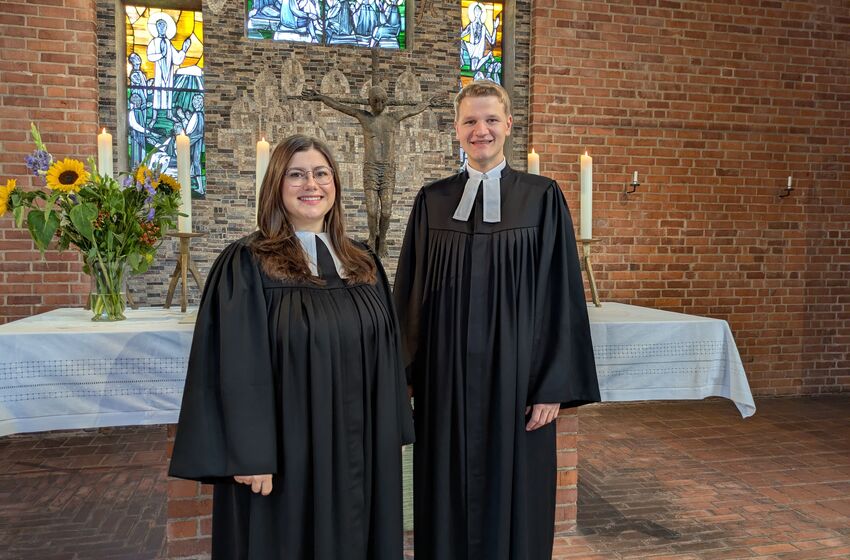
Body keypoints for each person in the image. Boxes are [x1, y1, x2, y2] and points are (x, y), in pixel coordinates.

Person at [169, 135, 414, 560]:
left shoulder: (363, 262)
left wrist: (389, 432)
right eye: (296, 175)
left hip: (361, 450)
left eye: (321, 173)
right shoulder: (246, 262)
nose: (311, 184)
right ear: (276, 187)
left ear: (335, 184)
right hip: (286, 455)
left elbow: (388, 354)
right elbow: (235, 367)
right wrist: (249, 454)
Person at [393, 80, 600, 560]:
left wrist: (551, 383)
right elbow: (411, 293)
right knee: (444, 486)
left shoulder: (541, 197)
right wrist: (405, 375)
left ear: (508, 125)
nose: (480, 130)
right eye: (470, 121)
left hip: (518, 381)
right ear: (456, 129)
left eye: (490, 120)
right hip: (444, 381)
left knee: (518, 491)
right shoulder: (433, 200)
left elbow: (560, 293)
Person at [304, 86, 436, 257]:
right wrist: (321, 97)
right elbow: (339, 106)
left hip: (388, 170)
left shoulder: (393, 118)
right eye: (375, 101)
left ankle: (383, 239)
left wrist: (427, 102)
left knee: (387, 211)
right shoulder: (364, 117)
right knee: (372, 211)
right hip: (371, 169)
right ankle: (372, 237)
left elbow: (413, 110)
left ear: (386, 102)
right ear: (369, 102)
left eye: (382, 101)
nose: (379, 104)